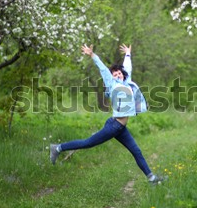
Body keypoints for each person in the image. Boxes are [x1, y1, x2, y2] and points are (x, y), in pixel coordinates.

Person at [50, 44, 163, 185]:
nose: (117, 75)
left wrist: (128, 53)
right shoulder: (112, 84)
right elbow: (103, 69)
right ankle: (58, 148)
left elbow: (127, 67)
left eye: (119, 73)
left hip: (121, 128)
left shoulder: (127, 82)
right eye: (115, 74)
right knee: (88, 143)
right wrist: (92, 55)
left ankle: (152, 179)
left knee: (136, 151)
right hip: (114, 126)